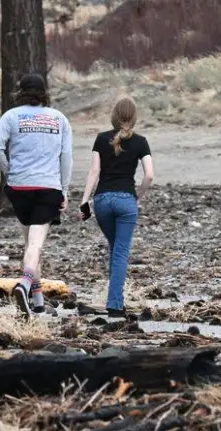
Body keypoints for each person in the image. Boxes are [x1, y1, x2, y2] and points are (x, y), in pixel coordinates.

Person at [0, 72, 73, 316]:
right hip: (48, 187)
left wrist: (10, 171)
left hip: (19, 188)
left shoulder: (11, 116)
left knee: (29, 245)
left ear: (20, 93)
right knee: (36, 245)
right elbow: (66, 158)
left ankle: (36, 303)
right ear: (44, 93)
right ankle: (24, 284)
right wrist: (64, 189)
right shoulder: (59, 119)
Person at [79, 96, 154, 315]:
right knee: (121, 251)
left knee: (115, 248)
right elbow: (149, 176)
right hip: (125, 201)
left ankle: (115, 298)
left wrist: (85, 200)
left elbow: (94, 172)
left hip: (102, 201)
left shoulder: (101, 139)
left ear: (114, 116)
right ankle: (114, 304)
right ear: (134, 117)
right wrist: (136, 196)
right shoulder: (141, 142)